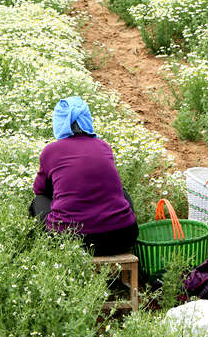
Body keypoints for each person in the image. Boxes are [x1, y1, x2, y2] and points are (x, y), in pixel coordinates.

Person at [29, 97, 138, 256]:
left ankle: (43, 257)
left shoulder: (51, 151)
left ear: (59, 121)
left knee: (38, 201)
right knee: (122, 193)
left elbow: (39, 190)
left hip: (72, 241)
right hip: (122, 238)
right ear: (87, 120)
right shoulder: (103, 146)